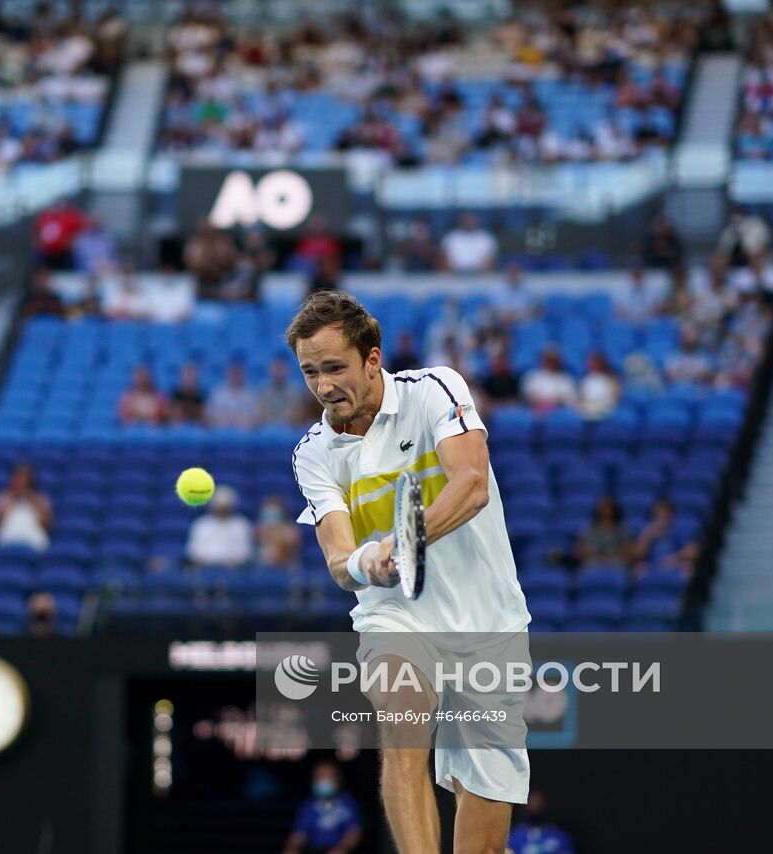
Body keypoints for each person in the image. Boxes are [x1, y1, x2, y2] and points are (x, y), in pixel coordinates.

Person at [288, 291, 531, 853]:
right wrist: (362, 564)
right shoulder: (314, 454)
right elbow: (338, 562)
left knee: (484, 806)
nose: (323, 386)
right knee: (403, 727)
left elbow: (470, 484)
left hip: (488, 619)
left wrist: (401, 543)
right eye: (309, 372)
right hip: (395, 616)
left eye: (334, 368)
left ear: (372, 359)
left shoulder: (434, 391)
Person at [282, 762, 363, 854]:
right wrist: (292, 848)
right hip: (314, 849)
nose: (323, 781)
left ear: (338, 779)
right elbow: (298, 834)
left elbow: (354, 832)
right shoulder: (308, 805)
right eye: (319, 777)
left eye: (327, 776)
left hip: (339, 849)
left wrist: (342, 848)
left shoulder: (348, 803)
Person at [185, 485, 253, 567]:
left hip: (234, 571)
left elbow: (246, 553)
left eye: (224, 507)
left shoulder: (241, 525)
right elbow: (193, 551)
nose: (221, 510)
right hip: (205, 569)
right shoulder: (201, 524)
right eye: (219, 506)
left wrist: (231, 561)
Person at [0, 464, 53, 551]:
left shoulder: (40, 499)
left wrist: (31, 499)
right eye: (18, 477)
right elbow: (0, 520)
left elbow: (47, 524)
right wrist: (14, 498)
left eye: (24, 478)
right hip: (8, 538)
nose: (20, 481)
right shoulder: (5, 497)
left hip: (34, 540)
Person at [506, 791, 577, 854]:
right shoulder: (513, 837)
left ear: (545, 806)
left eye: (538, 803)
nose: (535, 806)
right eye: (532, 803)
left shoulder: (560, 836)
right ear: (525, 807)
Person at [576, 498, 633, 567]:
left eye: (608, 507)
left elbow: (628, 550)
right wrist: (598, 558)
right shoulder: (589, 528)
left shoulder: (622, 529)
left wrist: (611, 558)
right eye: (603, 507)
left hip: (617, 561)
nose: (606, 510)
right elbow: (581, 550)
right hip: (593, 561)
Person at [206, 363, 261, 430]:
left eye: (238, 374)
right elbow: (210, 416)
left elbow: (256, 418)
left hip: (245, 435)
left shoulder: (251, 395)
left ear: (243, 375)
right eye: (233, 373)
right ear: (227, 375)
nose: (235, 376)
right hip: (221, 434)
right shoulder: (217, 394)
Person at [522, 349, 577, 413]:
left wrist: (554, 402)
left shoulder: (566, 379)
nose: (550, 363)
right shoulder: (532, 377)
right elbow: (527, 395)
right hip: (536, 412)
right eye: (547, 359)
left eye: (553, 360)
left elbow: (570, 399)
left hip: (559, 412)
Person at [258, 359, 306, 427]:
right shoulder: (263, 391)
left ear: (286, 371)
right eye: (276, 370)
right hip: (268, 427)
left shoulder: (294, 391)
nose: (278, 373)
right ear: (271, 372)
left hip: (289, 427)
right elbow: (260, 414)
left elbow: (298, 414)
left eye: (280, 370)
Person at [256, 496, 301, 569]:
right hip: (264, 567)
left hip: (287, 566)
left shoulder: (290, 530)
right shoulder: (260, 529)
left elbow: (292, 550)